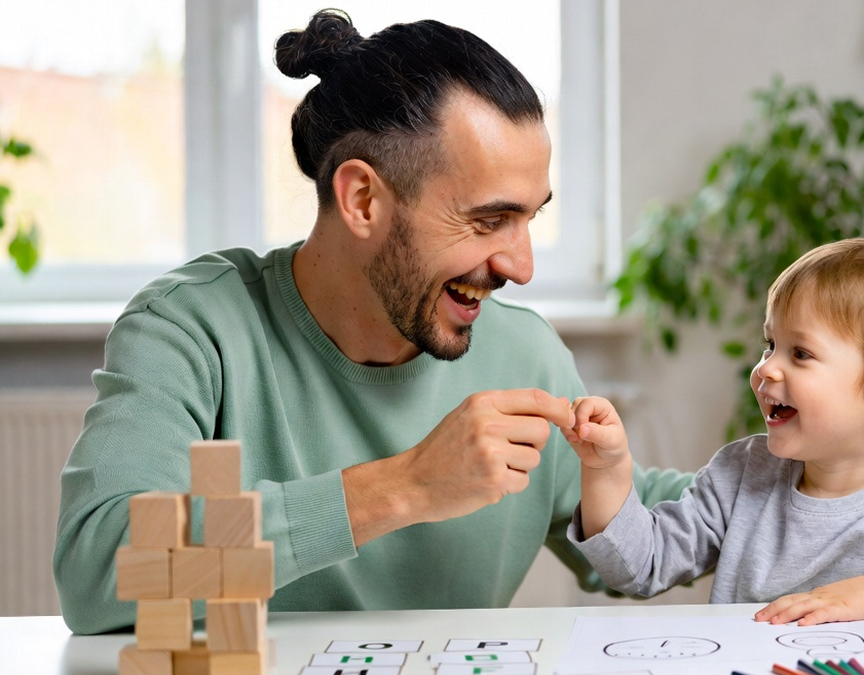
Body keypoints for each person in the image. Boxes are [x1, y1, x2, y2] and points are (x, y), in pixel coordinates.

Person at [53, 10, 690, 635]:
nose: (520, 267)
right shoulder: (193, 330)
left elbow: (646, 527)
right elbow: (102, 570)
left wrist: (792, 500)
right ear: (362, 200)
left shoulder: (525, 353)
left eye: (531, 219)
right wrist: (403, 487)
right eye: (488, 220)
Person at [561, 237, 864, 625]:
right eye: (769, 344)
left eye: (800, 353)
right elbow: (639, 568)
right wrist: (606, 471)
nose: (765, 370)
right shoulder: (742, 474)